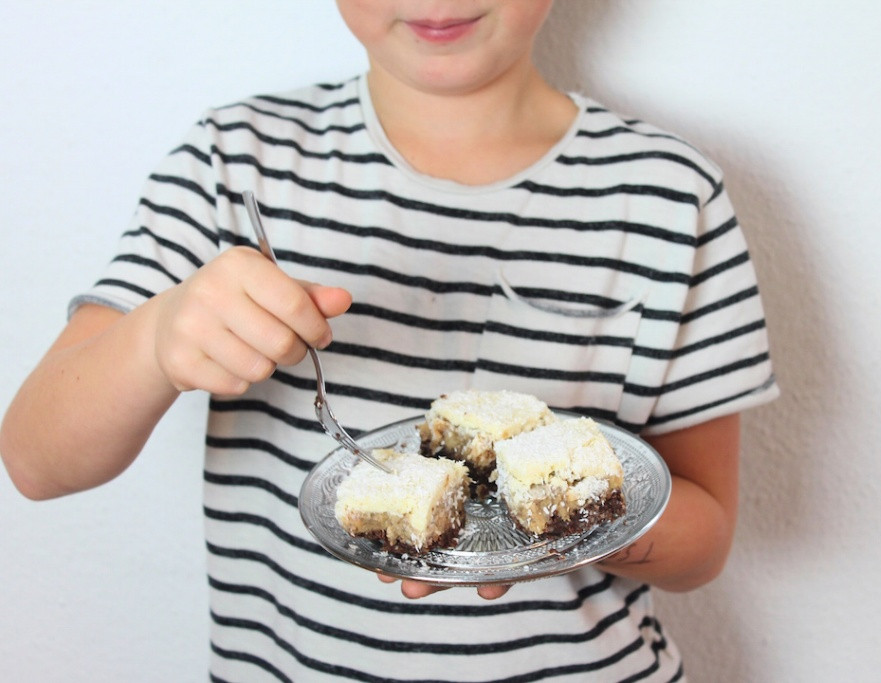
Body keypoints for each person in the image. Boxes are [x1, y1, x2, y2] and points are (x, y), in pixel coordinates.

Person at [0, 1, 778, 680]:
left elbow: (703, 543)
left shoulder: (669, 195)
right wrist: (154, 340)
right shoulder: (232, 165)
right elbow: (34, 460)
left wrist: (557, 518)